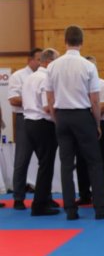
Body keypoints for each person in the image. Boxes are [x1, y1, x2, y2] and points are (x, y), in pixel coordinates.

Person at [45, 25, 104, 221]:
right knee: (94, 162)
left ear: (65, 41)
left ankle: (70, 210)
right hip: (82, 116)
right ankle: (100, 209)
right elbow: (95, 100)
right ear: (81, 42)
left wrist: (56, 118)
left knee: (66, 165)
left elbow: (50, 98)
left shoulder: (52, 66)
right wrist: (96, 123)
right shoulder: (88, 66)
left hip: (62, 116)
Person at [21, 48, 60, 216]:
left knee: (44, 163)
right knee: (46, 164)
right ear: (49, 62)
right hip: (43, 123)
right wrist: (60, 120)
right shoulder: (45, 78)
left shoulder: (30, 77)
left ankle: (45, 198)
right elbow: (47, 107)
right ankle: (39, 205)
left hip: (29, 122)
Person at [7, 47, 42, 209]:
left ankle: (44, 197)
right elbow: (13, 99)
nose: (41, 62)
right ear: (30, 60)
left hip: (42, 119)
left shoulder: (45, 76)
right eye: (38, 59)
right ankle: (19, 198)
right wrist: (34, 100)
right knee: (22, 160)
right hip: (24, 118)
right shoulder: (18, 76)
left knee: (45, 160)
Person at [75, 56, 104, 205]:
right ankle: (84, 194)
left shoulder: (103, 84)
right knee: (81, 160)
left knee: (100, 159)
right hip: (81, 124)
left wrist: (84, 112)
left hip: (98, 123)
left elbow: (103, 106)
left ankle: (103, 194)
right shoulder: (79, 85)